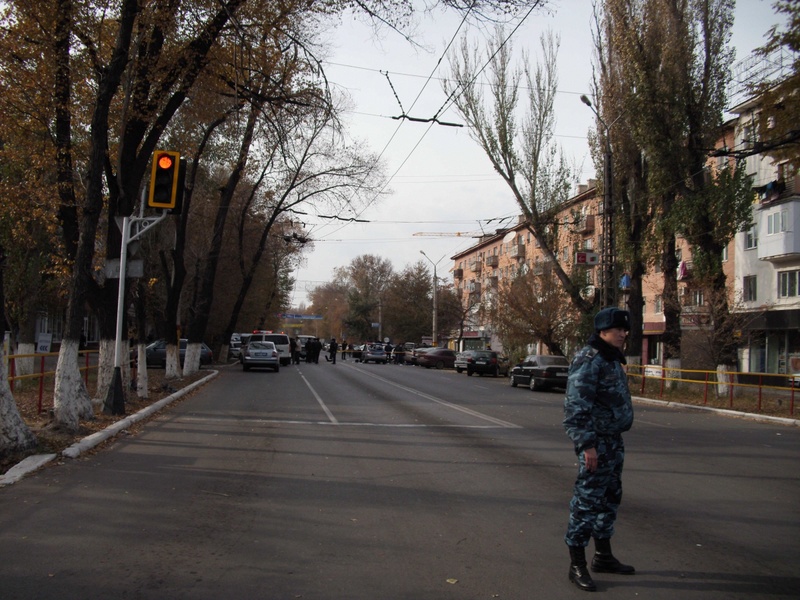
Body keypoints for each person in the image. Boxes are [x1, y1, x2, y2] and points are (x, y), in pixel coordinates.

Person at [563, 307, 635, 592]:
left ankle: (603, 555)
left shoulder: (611, 359)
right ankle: (576, 564)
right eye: (618, 329)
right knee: (586, 502)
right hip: (596, 443)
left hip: (613, 441)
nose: (623, 334)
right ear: (603, 330)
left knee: (609, 497)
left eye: (624, 329)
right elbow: (575, 407)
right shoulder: (589, 359)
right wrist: (587, 445)